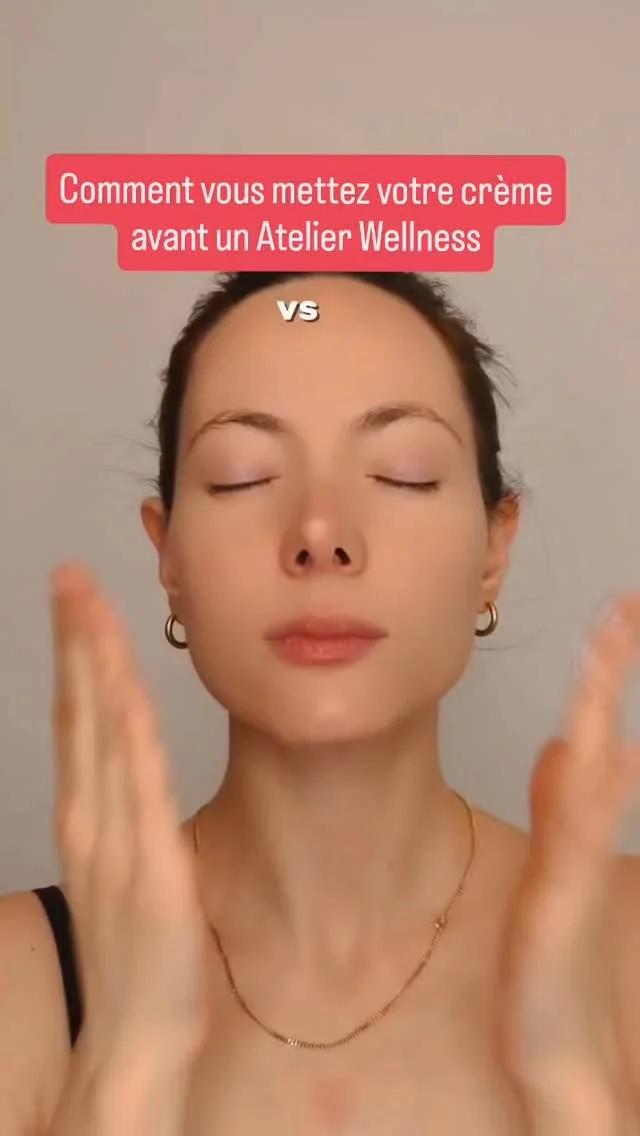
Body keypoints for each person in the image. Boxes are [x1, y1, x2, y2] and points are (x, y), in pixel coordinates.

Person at [0, 271, 639, 1135]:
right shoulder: (24, 984)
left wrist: (573, 1087)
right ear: (169, 557)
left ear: (493, 550)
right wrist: (125, 1070)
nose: (320, 533)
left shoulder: (622, 949)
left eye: (404, 474)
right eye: (242, 478)